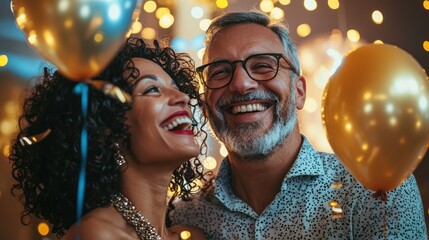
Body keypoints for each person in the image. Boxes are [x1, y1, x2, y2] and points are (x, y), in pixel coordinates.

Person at [170, 11, 428, 239]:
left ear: (299, 91)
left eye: (262, 66)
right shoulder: (184, 217)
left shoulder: (374, 193)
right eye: (220, 72)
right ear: (205, 101)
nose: (241, 84)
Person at [9, 37, 209, 240]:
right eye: (152, 89)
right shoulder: (95, 234)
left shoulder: (194, 235)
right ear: (106, 128)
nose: (182, 97)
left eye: (176, 88)